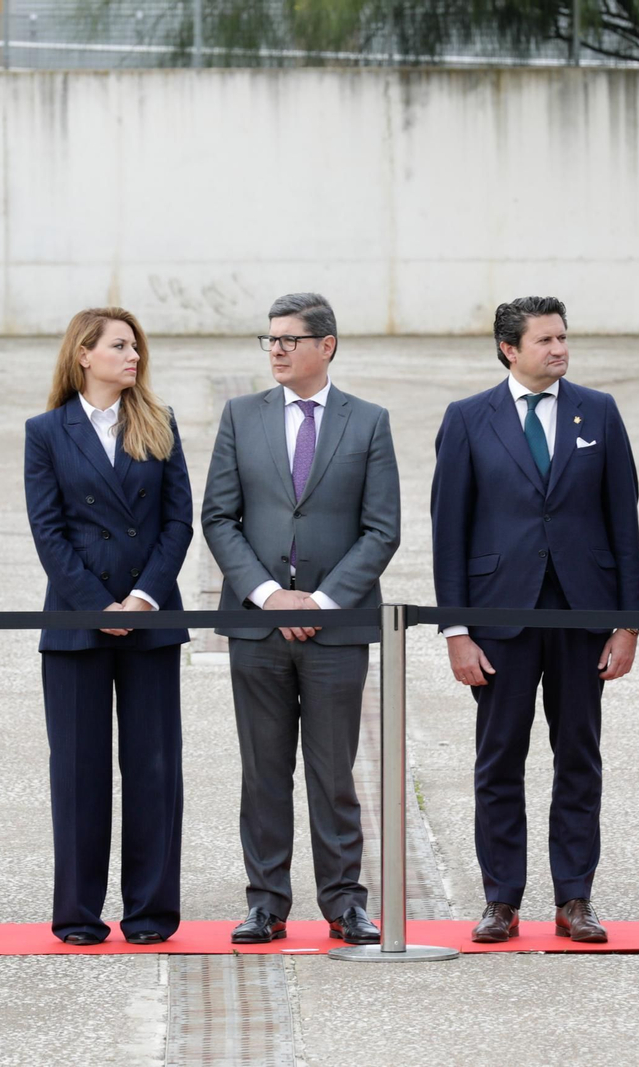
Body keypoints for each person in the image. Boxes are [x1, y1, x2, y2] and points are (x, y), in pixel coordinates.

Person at [431, 296, 639, 944]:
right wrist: (456, 629)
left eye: (562, 337)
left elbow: (623, 520)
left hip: (583, 614)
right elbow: (450, 529)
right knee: (499, 760)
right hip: (500, 618)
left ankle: (574, 898)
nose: (558, 349)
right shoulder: (469, 419)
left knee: (579, 754)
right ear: (509, 349)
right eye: (545, 340)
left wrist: (628, 622)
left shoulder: (598, 412)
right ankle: (502, 898)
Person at [201, 292, 400, 946]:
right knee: (263, 771)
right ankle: (266, 902)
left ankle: (346, 902)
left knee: (333, 771)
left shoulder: (368, 422)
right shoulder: (240, 416)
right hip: (257, 627)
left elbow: (380, 530)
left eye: (290, 338)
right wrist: (265, 593)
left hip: (335, 629)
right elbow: (219, 518)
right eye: (271, 340)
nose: (277, 350)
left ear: (327, 345)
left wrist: (319, 600)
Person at [23, 308, 193, 946]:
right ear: (83, 354)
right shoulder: (46, 431)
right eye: (120, 346)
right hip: (75, 621)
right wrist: (99, 605)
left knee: (153, 770)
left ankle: (150, 914)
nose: (134, 357)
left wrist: (144, 598)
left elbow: (180, 520)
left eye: (137, 346)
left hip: (151, 619)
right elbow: (49, 530)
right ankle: (77, 916)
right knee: (77, 771)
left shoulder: (159, 422)